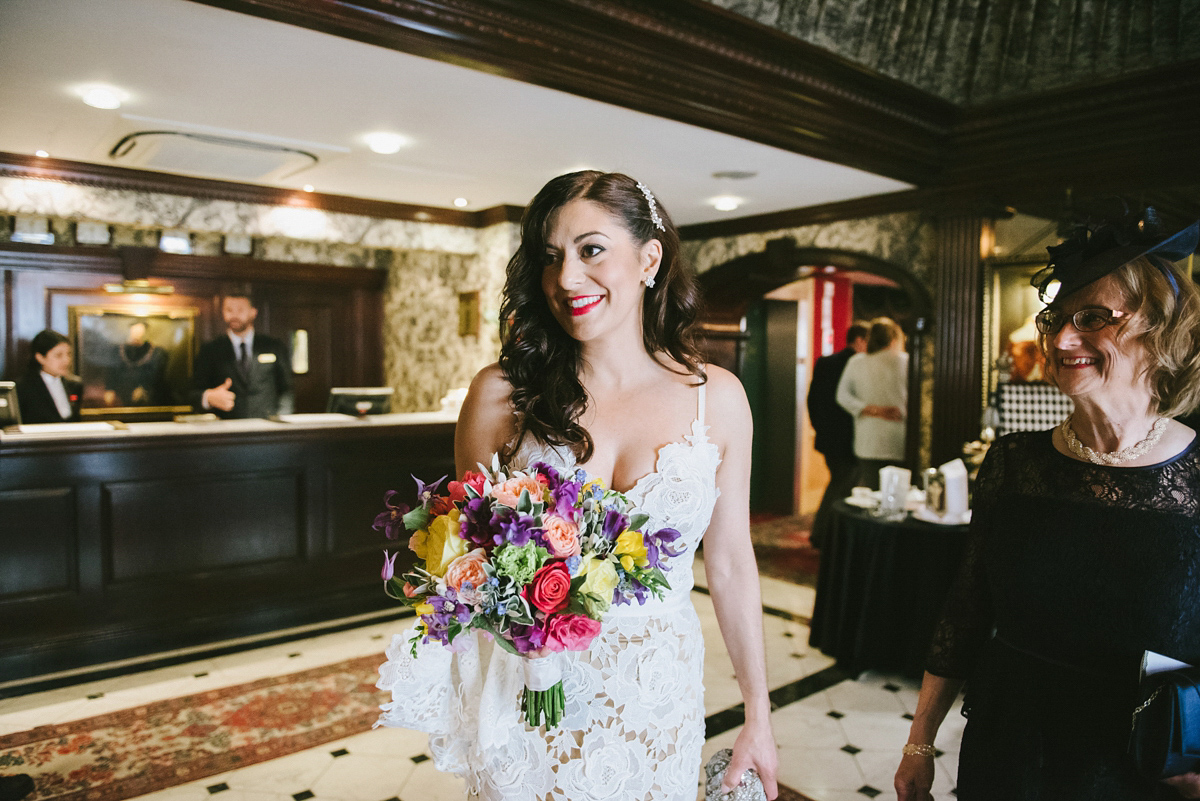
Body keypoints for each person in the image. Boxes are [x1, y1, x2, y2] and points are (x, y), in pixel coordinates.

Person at [377, 172, 778, 800]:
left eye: (591, 250)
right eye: (551, 257)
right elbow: (466, 558)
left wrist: (759, 712)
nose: (567, 278)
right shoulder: (499, 396)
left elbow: (730, 563)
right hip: (531, 693)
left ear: (649, 258)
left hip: (656, 690)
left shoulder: (717, 399)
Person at [895, 209, 1200, 801]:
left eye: (1092, 319)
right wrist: (920, 743)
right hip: (1011, 747)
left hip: (1141, 764)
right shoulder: (1015, 464)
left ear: (1161, 328)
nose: (1062, 340)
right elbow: (966, 610)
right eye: (1057, 319)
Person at [806, 321, 869, 548]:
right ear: (860, 340)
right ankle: (823, 535)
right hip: (848, 438)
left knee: (840, 482)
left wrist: (819, 428)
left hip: (827, 436)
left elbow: (812, 400)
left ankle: (826, 534)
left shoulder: (826, 362)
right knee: (842, 485)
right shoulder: (858, 364)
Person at [191, 289, 292, 418]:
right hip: (227, 429)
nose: (234, 315)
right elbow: (192, 392)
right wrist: (208, 397)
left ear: (253, 312)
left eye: (240, 310)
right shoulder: (210, 350)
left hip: (267, 427)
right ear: (222, 312)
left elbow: (287, 389)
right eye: (229, 310)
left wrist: (282, 417)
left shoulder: (273, 346)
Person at [835, 317, 908, 489]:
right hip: (898, 437)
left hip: (868, 440)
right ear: (894, 338)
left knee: (871, 492)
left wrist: (869, 410)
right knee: (897, 491)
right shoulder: (905, 361)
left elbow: (842, 396)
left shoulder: (856, 362)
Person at [14, 329, 82, 424]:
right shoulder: (23, 387)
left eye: (68, 354)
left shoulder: (74, 385)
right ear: (40, 357)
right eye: (59, 355)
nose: (66, 360)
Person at [104, 320, 170, 406]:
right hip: (121, 396)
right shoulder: (117, 351)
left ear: (146, 333)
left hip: (150, 400)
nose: (137, 335)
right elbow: (111, 371)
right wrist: (110, 389)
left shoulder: (157, 353)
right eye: (134, 331)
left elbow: (157, 376)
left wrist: (144, 388)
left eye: (140, 332)